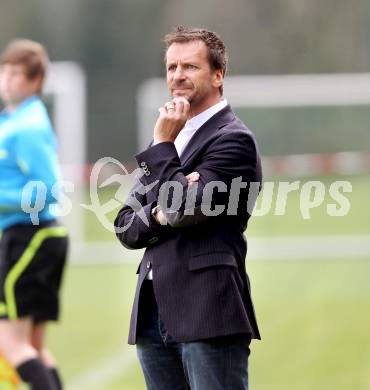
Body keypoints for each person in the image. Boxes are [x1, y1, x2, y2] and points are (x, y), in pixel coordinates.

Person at [115, 26, 262, 390]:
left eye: (190, 67)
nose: (177, 76)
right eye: (171, 67)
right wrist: (161, 211)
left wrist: (164, 146)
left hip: (207, 309)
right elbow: (124, 225)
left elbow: (181, 209)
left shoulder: (234, 140)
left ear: (218, 74)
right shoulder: (165, 138)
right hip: (153, 311)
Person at [0, 39, 68, 390]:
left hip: (30, 234)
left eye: (16, 73)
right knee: (35, 346)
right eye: (4, 71)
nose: (6, 79)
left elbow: (48, 188)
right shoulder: (12, 121)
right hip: (38, 235)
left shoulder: (27, 127)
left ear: (35, 80)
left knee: (9, 341)